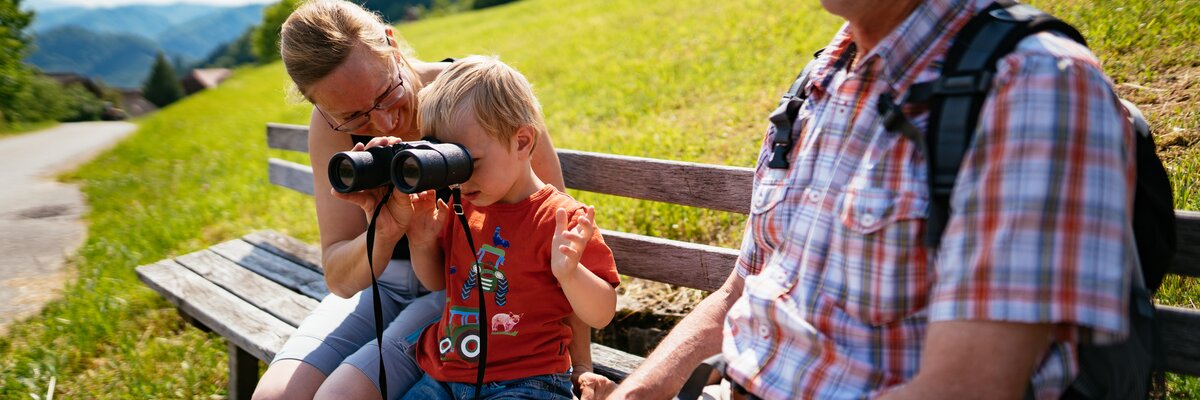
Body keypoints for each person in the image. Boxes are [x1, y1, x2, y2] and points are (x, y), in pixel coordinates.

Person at [604, 0, 1138, 399]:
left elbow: (969, 386)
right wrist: (638, 390)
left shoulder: (1033, 84)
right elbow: (741, 290)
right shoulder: (820, 81)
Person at [251, 1, 613, 399]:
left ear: (391, 43)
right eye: (354, 117)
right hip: (381, 287)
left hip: (451, 291)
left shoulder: (474, 97)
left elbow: (554, 227)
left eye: (387, 93)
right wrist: (384, 231)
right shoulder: (328, 125)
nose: (386, 123)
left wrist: (580, 367)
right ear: (319, 105)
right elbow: (339, 277)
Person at [398, 55, 621, 399]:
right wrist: (422, 242)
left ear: (521, 142)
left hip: (528, 381)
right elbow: (438, 283)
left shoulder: (560, 218)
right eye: (450, 164)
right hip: (444, 376)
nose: (458, 179)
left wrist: (570, 274)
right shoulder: (463, 208)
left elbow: (603, 313)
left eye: (468, 162)